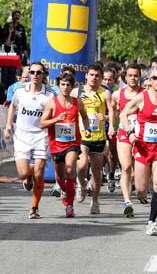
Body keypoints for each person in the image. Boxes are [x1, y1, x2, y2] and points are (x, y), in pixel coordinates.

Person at [120, 66, 157, 236]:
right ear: (149, 80)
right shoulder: (142, 98)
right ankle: (142, 193)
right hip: (143, 147)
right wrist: (129, 132)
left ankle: (152, 221)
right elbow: (123, 114)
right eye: (154, 78)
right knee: (141, 188)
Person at [3, 62, 55, 219]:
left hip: (41, 136)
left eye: (38, 73)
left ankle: (34, 207)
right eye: (32, 72)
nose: (35, 75)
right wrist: (7, 126)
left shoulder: (49, 95)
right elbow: (13, 106)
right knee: (24, 173)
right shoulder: (20, 91)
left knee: (39, 173)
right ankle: (28, 177)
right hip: (22, 135)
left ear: (43, 75)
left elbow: (52, 115)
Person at [40, 73, 90, 217]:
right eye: (63, 84)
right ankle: (63, 188)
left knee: (70, 169)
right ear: (58, 86)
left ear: (72, 86)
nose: (66, 87)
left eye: (68, 85)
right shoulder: (52, 102)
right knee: (60, 176)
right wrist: (56, 119)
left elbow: (85, 117)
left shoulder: (77, 102)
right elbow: (42, 123)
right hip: (57, 143)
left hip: (72, 142)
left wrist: (86, 129)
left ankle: (69, 205)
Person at [72, 65, 112, 214]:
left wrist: (106, 118)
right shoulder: (77, 92)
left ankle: (95, 201)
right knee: (82, 165)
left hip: (98, 136)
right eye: (92, 75)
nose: (94, 78)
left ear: (101, 78)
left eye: (97, 76)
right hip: (81, 135)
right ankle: (81, 185)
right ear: (86, 76)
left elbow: (112, 113)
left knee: (96, 171)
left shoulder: (105, 93)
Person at [109, 64, 143, 217]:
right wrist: (111, 126)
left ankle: (139, 191)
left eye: (136, 75)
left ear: (140, 76)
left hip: (141, 135)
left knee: (138, 173)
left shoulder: (145, 93)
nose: (133, 78)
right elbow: (114, 111)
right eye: (130, 75)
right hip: (124, 132)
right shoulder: (118, 94)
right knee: (126, 166)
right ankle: (127, 201)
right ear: (125, 77)